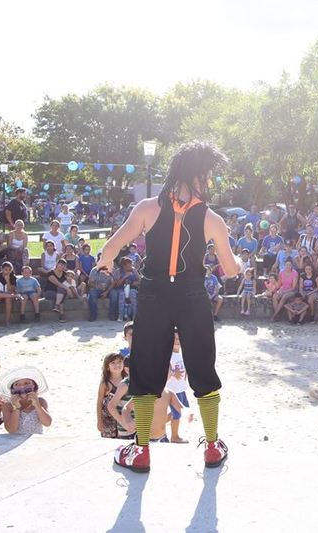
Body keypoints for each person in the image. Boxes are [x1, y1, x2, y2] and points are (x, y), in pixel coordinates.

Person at [96, 141, 240, 473]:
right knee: (203, 368)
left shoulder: (147, 208)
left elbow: (113, 245)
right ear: (200, 176)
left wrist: (104, 265)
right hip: (192, 296)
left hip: (153, 295)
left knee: (146, 371)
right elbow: (231, 270)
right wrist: (241, 267)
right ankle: (213, 446)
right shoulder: (213, 219)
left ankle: (142, 450)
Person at [0, 366, 52, 434]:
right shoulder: (7, 406)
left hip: (36, 441)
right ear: (12, 390)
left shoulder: (40, 401)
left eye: (27, 383)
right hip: (15, 442)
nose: (22, 386)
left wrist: (37, 405)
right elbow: (11, 430)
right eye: (17, 384)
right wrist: (16, 408)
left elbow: (47, 423)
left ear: (34, 387)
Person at [167, 332, 190, 443]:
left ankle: (160, 423)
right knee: (177, 414)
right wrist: (172, 374)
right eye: (174, 338)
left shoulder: (182, 355)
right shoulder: (168, 356)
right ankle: (174, 437)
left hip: (181, 389)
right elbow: (164, 374)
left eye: (179, 338)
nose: (177, 340)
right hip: (172, 390)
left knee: (179, 413)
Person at [97, 353, 127, 438]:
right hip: (108, 421)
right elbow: (99, 402)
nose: (117, 364)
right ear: (107, 366)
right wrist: (99, 420)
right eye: (113, 362)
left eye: (119, 361)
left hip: (124, 418)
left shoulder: (128, 380)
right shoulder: (105, 383)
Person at [0, 261, 19, 326]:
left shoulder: (13, 277)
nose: (7, 271)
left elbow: (11, 290)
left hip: (8, 296)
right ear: (1, 269)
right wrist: (5, 293)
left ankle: (7, 321)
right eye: (5, 270)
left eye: (9, 270)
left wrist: (7, 280)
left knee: (8, 298)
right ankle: (13, 296)